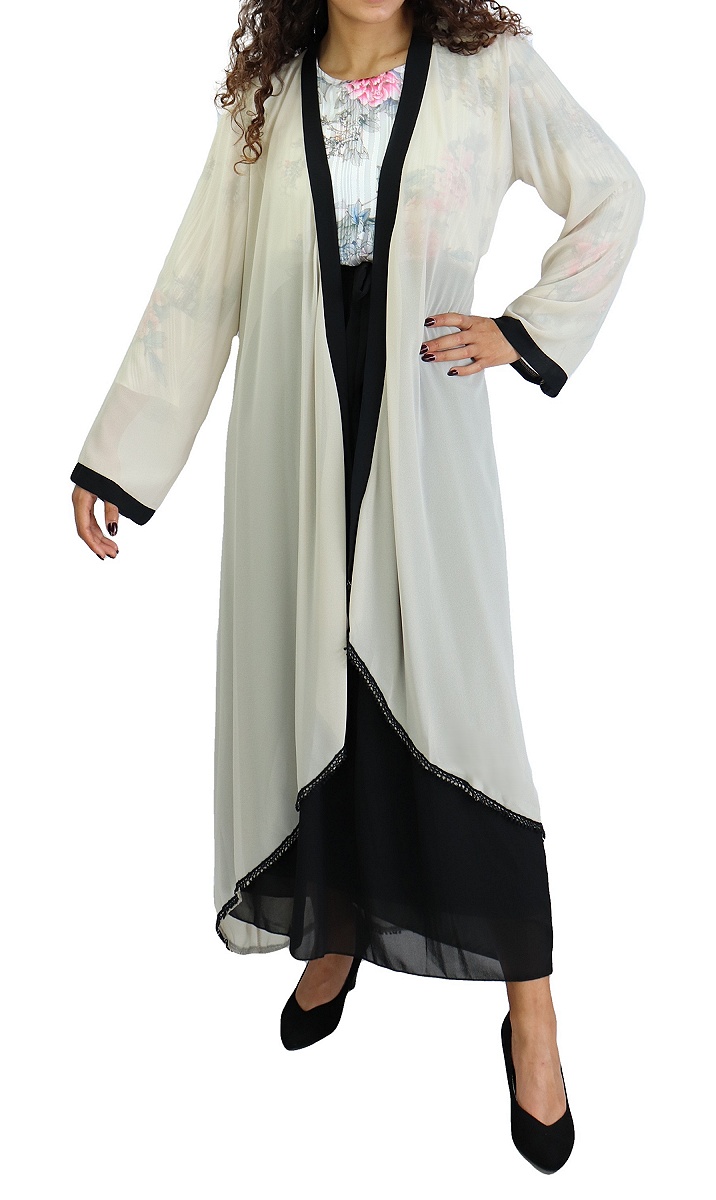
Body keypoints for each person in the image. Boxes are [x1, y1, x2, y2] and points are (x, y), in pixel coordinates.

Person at [70, 0, 645, 1173]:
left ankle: (531, 1016)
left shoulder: (488, 70)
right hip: (293, 443)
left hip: (421, 445)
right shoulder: (264, 100)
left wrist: (522, 329)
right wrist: (119, 457)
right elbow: (200, 282)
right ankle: (330, 929)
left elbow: (610, 190)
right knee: (309, 682)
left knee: (465, 714)